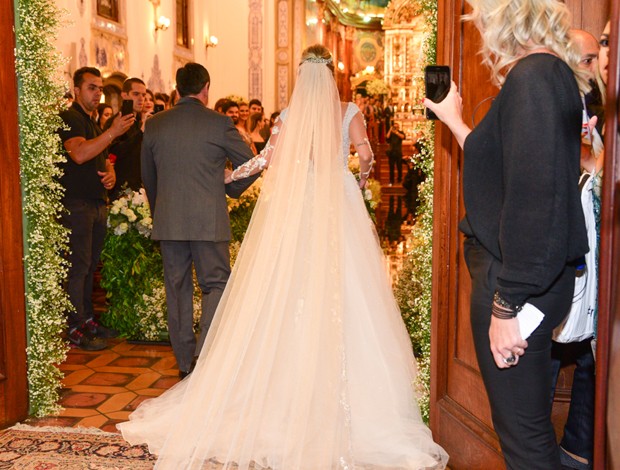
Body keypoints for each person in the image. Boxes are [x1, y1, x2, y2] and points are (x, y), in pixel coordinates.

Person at [119, 45, 448, 470]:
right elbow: (366, 154)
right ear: (331, 75)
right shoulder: (349, 111)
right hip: (337, 202)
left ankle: (276, 388)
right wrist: (361, 180)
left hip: (300, 209)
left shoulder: (289, 115)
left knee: (289, 284)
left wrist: (230, 174)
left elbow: (264, 160)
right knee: (349, 289)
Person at [424, 1, 589, 468]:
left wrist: (505, 303)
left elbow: (534, 200)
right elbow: (509, 170)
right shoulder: (547, 73)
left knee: (526, 442)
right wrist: (455, 121)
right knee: (525, 431)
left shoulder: (533, 77)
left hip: (517, 283)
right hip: (529, 278)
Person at [136, 63, 258, 379]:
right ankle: (206, 355)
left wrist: (160, 209)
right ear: (206, 88)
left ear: (177, 88)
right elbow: (252, 163)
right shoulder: (219, 123)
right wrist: (231, 188)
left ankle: (183, 362)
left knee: (176, 288)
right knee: (215, 284)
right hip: (209, 219)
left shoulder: (156, 125)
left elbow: (149, 177)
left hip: (170, 219)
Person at [550, 26, 607, 470]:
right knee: (546, 351)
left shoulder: (606, 107)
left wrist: (594, 161)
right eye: (585, 58)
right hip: (555, 249)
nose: (591, 67)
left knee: (592, 356)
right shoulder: (549, 102)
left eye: (595, 56)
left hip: (597, 252)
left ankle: (577, 448)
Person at [58, 66, 134, 350]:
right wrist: (113, 131)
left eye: (100, 88)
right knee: (77, 267)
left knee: (89, 266)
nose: (97, 93)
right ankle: (74, 326)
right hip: (76, 203)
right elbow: (78, 153)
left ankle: (88, 319)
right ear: (76, 89)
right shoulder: (70, 117)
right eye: (92, 87)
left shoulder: (91, 122)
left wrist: (110, 170)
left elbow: (100, 155)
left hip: (95, 201)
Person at [107, 77, 148, 201]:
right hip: (121, 188)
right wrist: (141, 132)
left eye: (143, 95)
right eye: (136, 94)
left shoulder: (138, 122)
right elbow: (114, 152)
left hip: (139, 186)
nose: (141, 99)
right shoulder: (115, 122)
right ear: (124, 95)